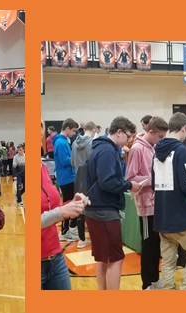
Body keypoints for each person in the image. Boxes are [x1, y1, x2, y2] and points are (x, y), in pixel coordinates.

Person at [152, 112, 186, 290]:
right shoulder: (181, 150)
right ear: (183, 128)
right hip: (181, 217)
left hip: (162, 216)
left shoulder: (156, 152)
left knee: (168, 261)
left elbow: (154, 184)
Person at [85, 116, 141, 290]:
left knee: (103, 258)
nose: (129, 140)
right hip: (104, 211)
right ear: (119, 132)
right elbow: (107, 182)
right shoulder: (107, 152)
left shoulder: (102, 149)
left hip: (96, 209)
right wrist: (129, 185)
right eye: (129, 136)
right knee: (116, 259)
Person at [125, 116, 168, 289]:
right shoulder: (137, 148)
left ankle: (155, 279)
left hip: (157, 203)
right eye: (160, 136)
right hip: (145, 205)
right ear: (151, 132)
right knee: (148, 246)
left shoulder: (154, 147)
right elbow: (131, 178)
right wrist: (154, 179)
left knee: (157, 244)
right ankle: (146, 283)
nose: (161, 140)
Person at [41, 161, 89, 290]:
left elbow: (50, 209)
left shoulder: (43, 167)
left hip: (56, 258)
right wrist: (60, 213)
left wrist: (71, 205)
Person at [52, 118, 79, 241]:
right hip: (66, 178)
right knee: (68, 205)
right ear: (67, 128)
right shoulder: (61, 143)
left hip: (68, 177)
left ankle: (67, 230)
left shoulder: (62, 141)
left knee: (69, 203)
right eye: (73, 130)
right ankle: (64, 231)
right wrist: (76, 159)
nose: (74, 133)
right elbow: (64, 161)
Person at [71, 121, 96, 249]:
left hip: (77, 178)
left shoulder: (74, 143)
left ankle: (81, 239)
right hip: (89, 179)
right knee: (90, 208)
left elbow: (72, 162)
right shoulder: (92, 143)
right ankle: (93, 237)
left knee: (79, 208)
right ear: (93, 130)